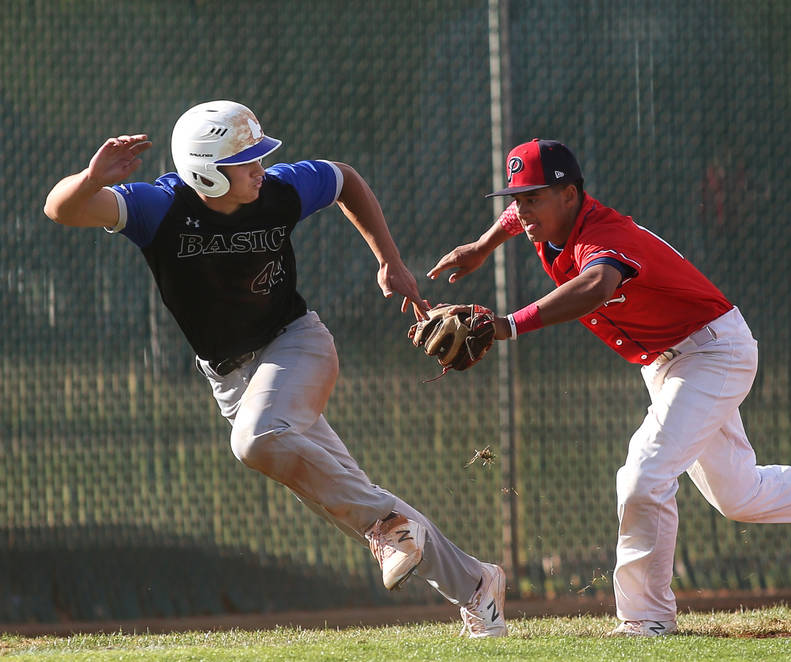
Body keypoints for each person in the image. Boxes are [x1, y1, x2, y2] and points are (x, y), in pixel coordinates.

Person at [428, 138, 791, 637]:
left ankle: (646, 617)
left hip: (712, 352)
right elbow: (518, 218)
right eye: (517, 198)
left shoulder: (602, 237)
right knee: (742, 495)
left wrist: (507, 324)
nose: (523, 210)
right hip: (670, 362)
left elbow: (595, 287)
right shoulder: (550, 220)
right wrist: (481, 246)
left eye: (533, 198)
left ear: (570, 195)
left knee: (643, 475)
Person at [43, 100, 506, 638]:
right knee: (348, 495)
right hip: (229, 378)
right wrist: (91, 178)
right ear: (204, 171)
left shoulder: (278, 190)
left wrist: (390, 260)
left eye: (260, 156)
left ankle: (388, 526)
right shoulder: (159, 207)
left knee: (258, 442)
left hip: (296, 345)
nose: (261, 167)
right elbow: (61, 209)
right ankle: (475, 584)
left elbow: (343, 180)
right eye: (246, 160)